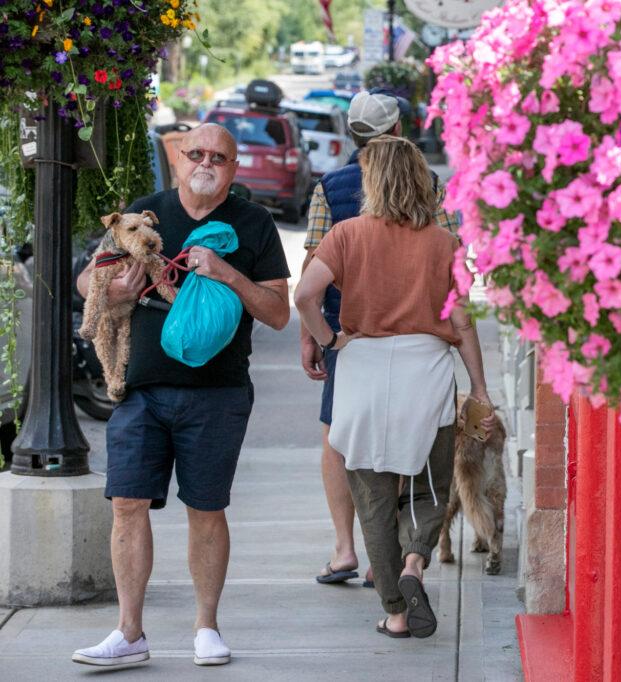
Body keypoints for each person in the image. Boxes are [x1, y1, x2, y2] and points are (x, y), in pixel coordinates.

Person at [72, 123, 291, 669]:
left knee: (206, 509)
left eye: (219, 156)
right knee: (126, 503)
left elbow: (278, 312)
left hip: (217, 392)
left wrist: (227, 273)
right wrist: (116, 289)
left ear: (234, 169)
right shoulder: (145, 213)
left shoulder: (253, 223)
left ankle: (206, 627)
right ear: (178, 161)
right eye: (196, 152)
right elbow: (86, 282)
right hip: (141, 389)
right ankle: (129, 632)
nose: (206, 162)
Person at [294, 135, 493, 638]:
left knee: (372, 493)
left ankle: (396, 614)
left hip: (360, 368)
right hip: (424, 371)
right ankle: (414, 563)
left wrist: (329, 338)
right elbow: (464, 323)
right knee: (430, 483)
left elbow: (305, 295)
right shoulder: (445, 245)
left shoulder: (347, 235)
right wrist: (480, 388)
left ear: (372, 181)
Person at [301, 90, 459, 586]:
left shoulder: (330, 185)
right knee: (414, 440)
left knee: (341, 437)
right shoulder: (429, 183)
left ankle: (346, 547)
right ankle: (389, 558)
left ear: (352, 134)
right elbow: (454, 261)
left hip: (350, 333)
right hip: (421, 334)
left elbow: (311, 266)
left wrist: (316, 338)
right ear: (397, 132)